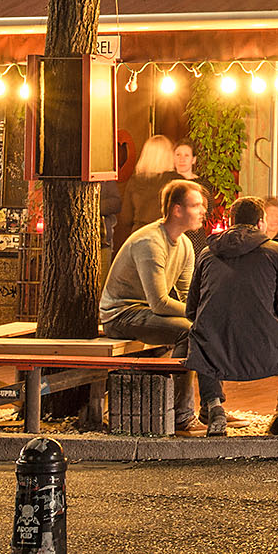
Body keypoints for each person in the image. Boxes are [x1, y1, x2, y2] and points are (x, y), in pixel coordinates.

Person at [185, 196, 278, 435]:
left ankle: (213, 405)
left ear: (230, 221)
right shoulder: (277, 252)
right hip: (264, 349)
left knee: (201, 335)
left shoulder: (207, 254)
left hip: (216, 352)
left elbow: (191, 310)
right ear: (261, 223)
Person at [100, 179, 210, 434]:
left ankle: (211, 408)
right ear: (177, 210)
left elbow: (185, 296)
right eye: (195, 205)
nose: (203, 210)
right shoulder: (150, 243)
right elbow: (159, 303)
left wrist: (203, 314)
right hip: (121, 314)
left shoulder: (184, 244)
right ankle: (182, 415)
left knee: (204, 329)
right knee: (190, 331)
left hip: (145, 312)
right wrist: (199, 315)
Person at [116, 135, 182, 249]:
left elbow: (125, 217)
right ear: (168, 155)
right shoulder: (176, 181)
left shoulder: (134, 181)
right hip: (167, 238)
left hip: (138, 237)